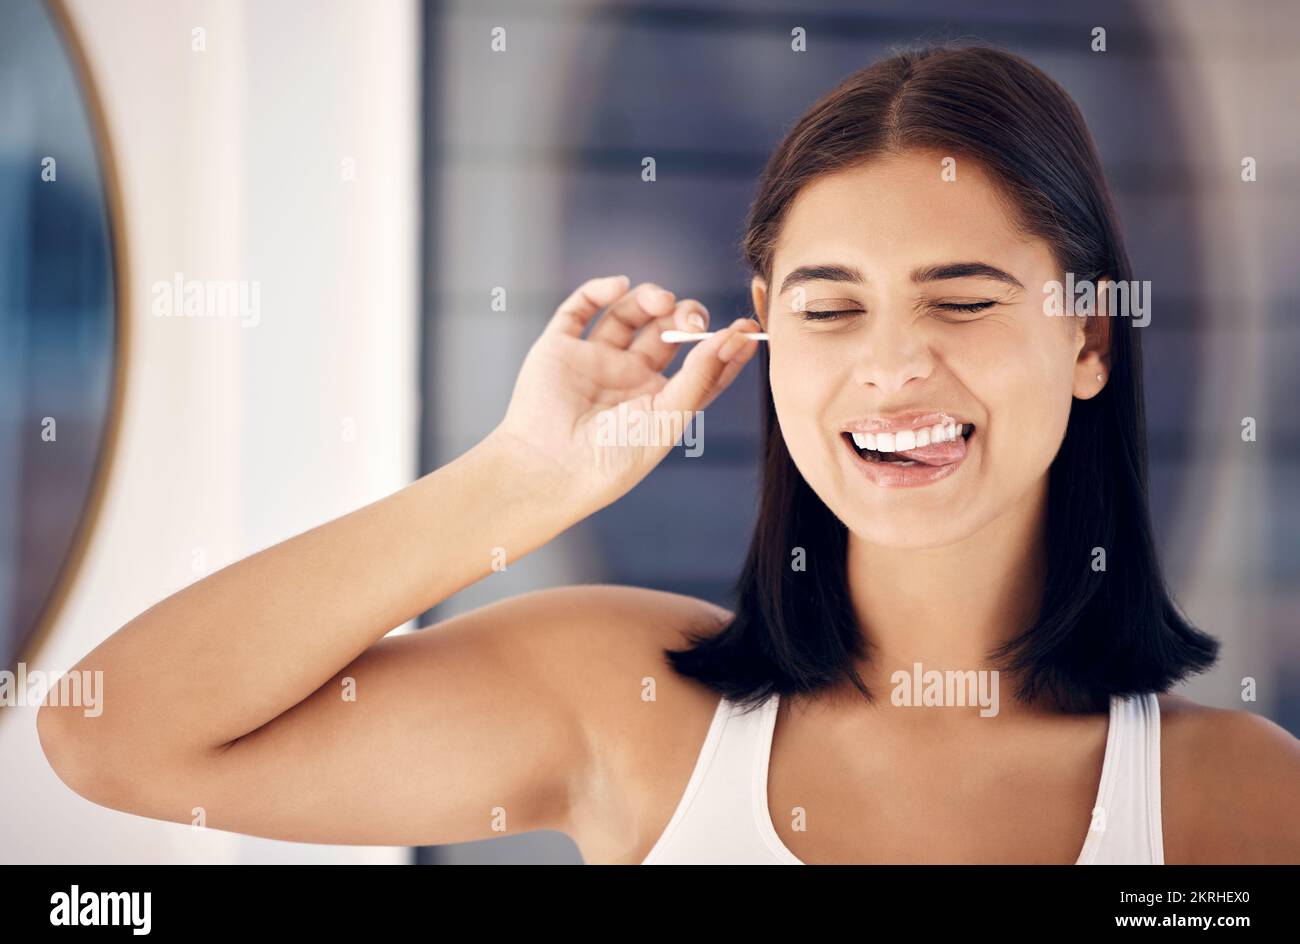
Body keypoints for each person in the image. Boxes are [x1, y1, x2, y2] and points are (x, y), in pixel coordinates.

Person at [38, 44, 1300, 864]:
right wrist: (517, 480)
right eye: (829, 306)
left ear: (1088, 335)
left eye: (962, 301)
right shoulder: (631, 706)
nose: (894, 366)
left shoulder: (1229, 802)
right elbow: (114, 738)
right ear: (765, 329)